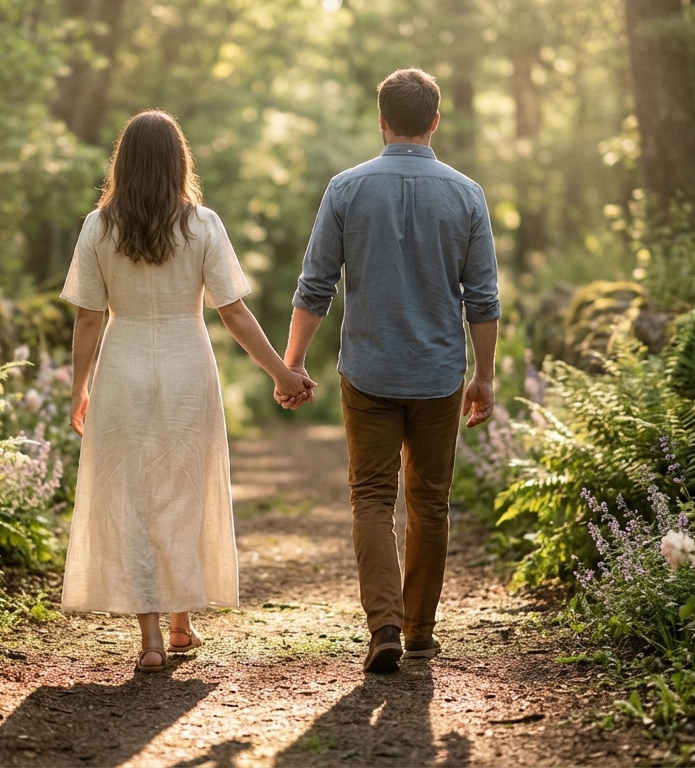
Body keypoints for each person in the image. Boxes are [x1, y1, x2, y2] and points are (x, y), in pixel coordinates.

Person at [61, 109, 314, 673]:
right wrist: (282, 373)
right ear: (180, 162)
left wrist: (79, 387)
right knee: (182, 488)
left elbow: (86, 320)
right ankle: (180, 623)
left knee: (132, 494)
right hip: (186, 366)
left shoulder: (97, 228)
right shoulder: (203, 225)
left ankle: (152, 634)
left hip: (122, 365)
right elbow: (234, 312)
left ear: (122, 163)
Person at [280, 68, 501, 673]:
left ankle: (383, 627)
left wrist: (292, 362)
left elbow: (315, 285)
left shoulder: (345, 189)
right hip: (437, 374)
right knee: (430, 502)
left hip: (369, 372)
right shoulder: (466, 194)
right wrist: (484, 375)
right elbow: (482, 298)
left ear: (382, 121)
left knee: (372, 499)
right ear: (434, 121)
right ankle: (420, 632)